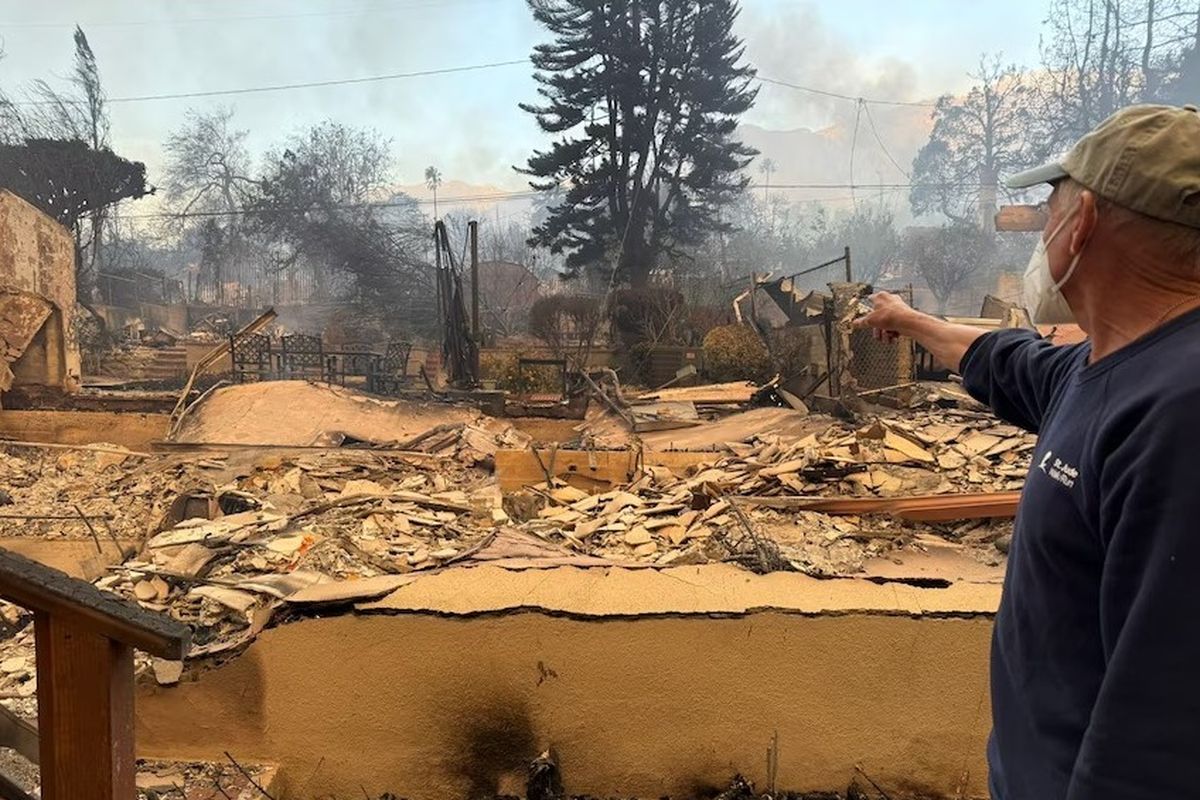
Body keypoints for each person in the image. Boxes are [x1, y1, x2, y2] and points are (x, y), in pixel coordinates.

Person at [854, 104, 1200, 800]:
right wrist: (907, 319)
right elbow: (997, 356)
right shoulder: (1104, 367)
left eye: (1052, 204)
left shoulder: (1181, 414)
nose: (1043, 227)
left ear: (1085, 222)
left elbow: (1166, 735)